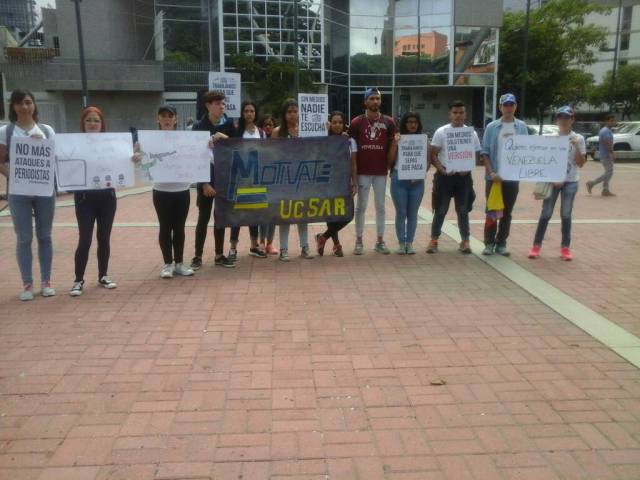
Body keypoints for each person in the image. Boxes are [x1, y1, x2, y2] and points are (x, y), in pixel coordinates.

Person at [0, 89, 56, 301]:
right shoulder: (6, 131)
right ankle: (27, 283)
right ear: (13, 107)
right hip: (19, 192)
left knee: (45, 236)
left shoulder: (47, 130)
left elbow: (53, 159)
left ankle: (46, 281)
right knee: (24, 237)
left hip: (43, 191)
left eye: (28, 102)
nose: (24, 107)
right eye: (19, 103)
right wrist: (14, 175)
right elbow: (1, 161)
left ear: (34, 105)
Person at [67, 107, 119, 296]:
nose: (92, 124)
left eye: (96, 120)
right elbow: (66, 164)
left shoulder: (112, 143)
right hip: (84, 199)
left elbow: (122, 162)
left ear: (102, 124)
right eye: (89, 120)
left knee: (104, 238)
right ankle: (78, 279)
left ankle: (103, 275)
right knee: (85, 239)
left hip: (107, 197)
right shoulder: (74, 144)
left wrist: (133, 157)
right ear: (83, 123)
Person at [528, 106, 586, 261]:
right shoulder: (551, 138)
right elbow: (544, 161)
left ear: (572, 120)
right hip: (553, 181)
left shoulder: (578, 138)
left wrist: (576, 147)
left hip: (571, 181)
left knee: (566, 214)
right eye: (561, 118)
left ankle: (565, 247)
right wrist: (552, 178)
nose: (564, 120)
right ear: (557, 120)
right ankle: (536, 245)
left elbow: (581, 163)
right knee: (546, 213)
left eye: (567, 117)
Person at [428, 100, 482, 254]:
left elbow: (477, 155)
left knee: (463, 210)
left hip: (463, 178)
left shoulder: (471, 133)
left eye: (461, 112)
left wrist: (469, 167)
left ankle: (465, 241)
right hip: (444, 177)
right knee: (440, 209)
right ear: (450, 114)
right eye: (455, 113)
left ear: (465, 114)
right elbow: (433, 154)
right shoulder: (441, 132)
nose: (458, 115)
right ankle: (434, 240)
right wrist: (441, 169)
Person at [191, 90, 236, 270]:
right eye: (217, 103)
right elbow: (194, 158)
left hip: (223, 180)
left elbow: (237, 146)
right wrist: (203, 183)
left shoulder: (229, 125)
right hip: (206, 181)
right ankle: (197, 256)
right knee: (203, 218)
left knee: (221, 218)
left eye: (223, 103)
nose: (221, 107)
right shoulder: (198, 127)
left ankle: (219, 254)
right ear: (208, 105)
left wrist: (223, 137)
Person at [480, 93, 529, 256]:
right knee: (493, 211)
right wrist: (491, 172)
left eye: (511, 105)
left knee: (507, 212)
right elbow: (485, 152)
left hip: (512, 178)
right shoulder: (491, 127)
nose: (508, 108)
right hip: (494, 178)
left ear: (515, 107)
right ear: (500, 107)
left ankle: (501, 242)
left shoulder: (521, 126)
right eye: (505, 105)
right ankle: (488, 243)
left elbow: (526, 150)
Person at [349, 87, 396, 255]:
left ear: (381, 101)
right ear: (365, 102)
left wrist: (390, 165)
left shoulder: (389, 122)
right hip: (362, 171)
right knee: (361, 207)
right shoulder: (356, 122)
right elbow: (349, 148)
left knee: (381, 206)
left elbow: (393, 145)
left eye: (377, 98)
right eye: (372, 98)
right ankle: (359, 240)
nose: (375, 101)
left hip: (381, 172)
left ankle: (380, 240)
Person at [149, 105, 195, 278]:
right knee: (165, 226)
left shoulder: (186, 139)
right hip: (161, 190)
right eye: (163, 116)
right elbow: (142, 163)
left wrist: (206, 146)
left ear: (176, 119)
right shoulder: (150, 140)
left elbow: (197, 154)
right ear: (158, 119)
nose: (167, 119)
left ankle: (179, 263)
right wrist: (138, 155)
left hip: (182, 189)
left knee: (179, 227)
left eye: (170, 116)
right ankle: (167, 263)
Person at [272, 98, 314, 261]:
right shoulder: (277, 132)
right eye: (289, 111)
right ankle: (283, 249)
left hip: (304, 178)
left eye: (295, 111)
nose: (292, 115)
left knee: (303, 214)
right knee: (286, 214)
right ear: (284, 114)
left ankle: (305, 247)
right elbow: (271, 155)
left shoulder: (307, 129)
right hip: (285, 178)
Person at [315, 111, 358, 257]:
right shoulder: (324, 141)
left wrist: (355, 182)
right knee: (331, 214)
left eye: (340, 122)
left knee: (348, 215)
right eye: (334, 122)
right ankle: (336, 245)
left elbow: (353, 164)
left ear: (344, 124)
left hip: (344, 182)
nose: (337, 125)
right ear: (330, 124)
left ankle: (323, 237)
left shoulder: (350, 141)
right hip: (327, 182)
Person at [228, 101, 268, 260]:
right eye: (246, 111)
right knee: (237, 215)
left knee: (254, 213)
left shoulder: (261, 132)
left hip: (256, 179)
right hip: (240, 178)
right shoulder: (237, 131)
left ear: (255, 113)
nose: (249, 114)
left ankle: (254, 246)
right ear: (242, 113)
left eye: (252, 111)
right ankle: (232, 247)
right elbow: (229, 148)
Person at [386, 112, 426, 255]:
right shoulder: (398, 138)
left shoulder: (423, 140)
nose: (412, 124)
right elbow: (389, 161)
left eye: (415, 121)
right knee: (401, 213)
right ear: (404, 124)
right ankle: (401, 243)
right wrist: (395, 144)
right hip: (399, 179)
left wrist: (421, 174)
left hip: (417, 181)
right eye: (409, 121)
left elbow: (427, 162)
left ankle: (410, 242)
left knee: (413, 213)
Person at [257, 113, 277, 254]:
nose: (268, 127)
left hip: (276, 182)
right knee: (263, 214)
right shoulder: (259, 140)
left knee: (273, 214)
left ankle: (270, 243)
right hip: (261, 181)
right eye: (266, 125)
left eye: (271, 125)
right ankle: (261, 242)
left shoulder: (279, 139)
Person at [586, 114, 616, 196]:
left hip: (605, 155)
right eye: (611, 120)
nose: (613, 122)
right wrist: (612, 153)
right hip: (606, 155)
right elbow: (607, 143)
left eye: (613, 120)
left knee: (609, 172)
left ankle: (605, 189)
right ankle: (592, 183)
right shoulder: (606, 131)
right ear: (607, 121)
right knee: (609, 172)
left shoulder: (606, 130)